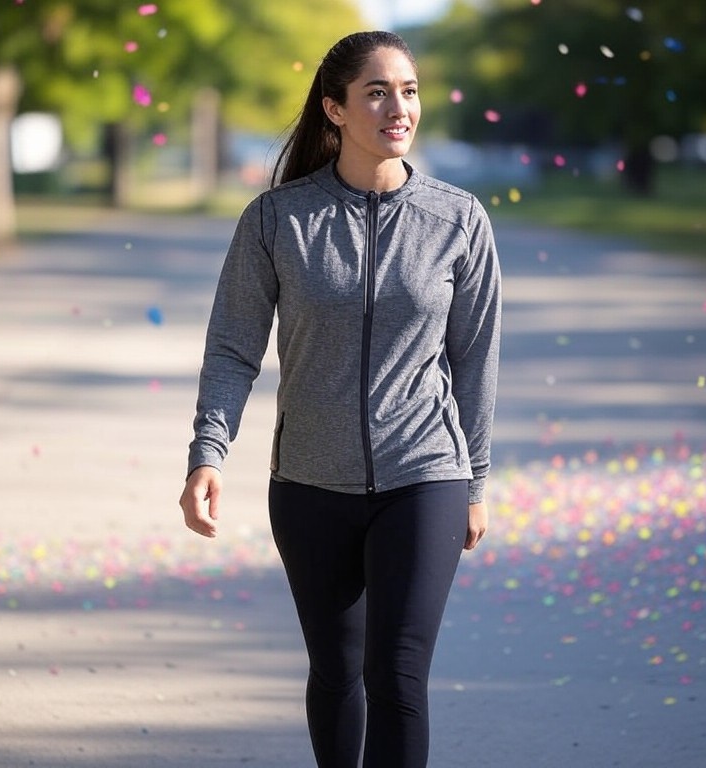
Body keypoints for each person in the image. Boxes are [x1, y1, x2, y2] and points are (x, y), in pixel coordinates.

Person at [179, 30, 501, 768]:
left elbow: (476, 361)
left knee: (396, 675)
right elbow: (234, 348)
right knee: (336, 671)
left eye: (410, 90)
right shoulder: (277, 221)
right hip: (309, 484)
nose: (400, 106)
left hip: (425, 476)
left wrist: (475, 482)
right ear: (335, 108)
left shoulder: (458, 220)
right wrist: (208, 455)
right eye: (379, 91)